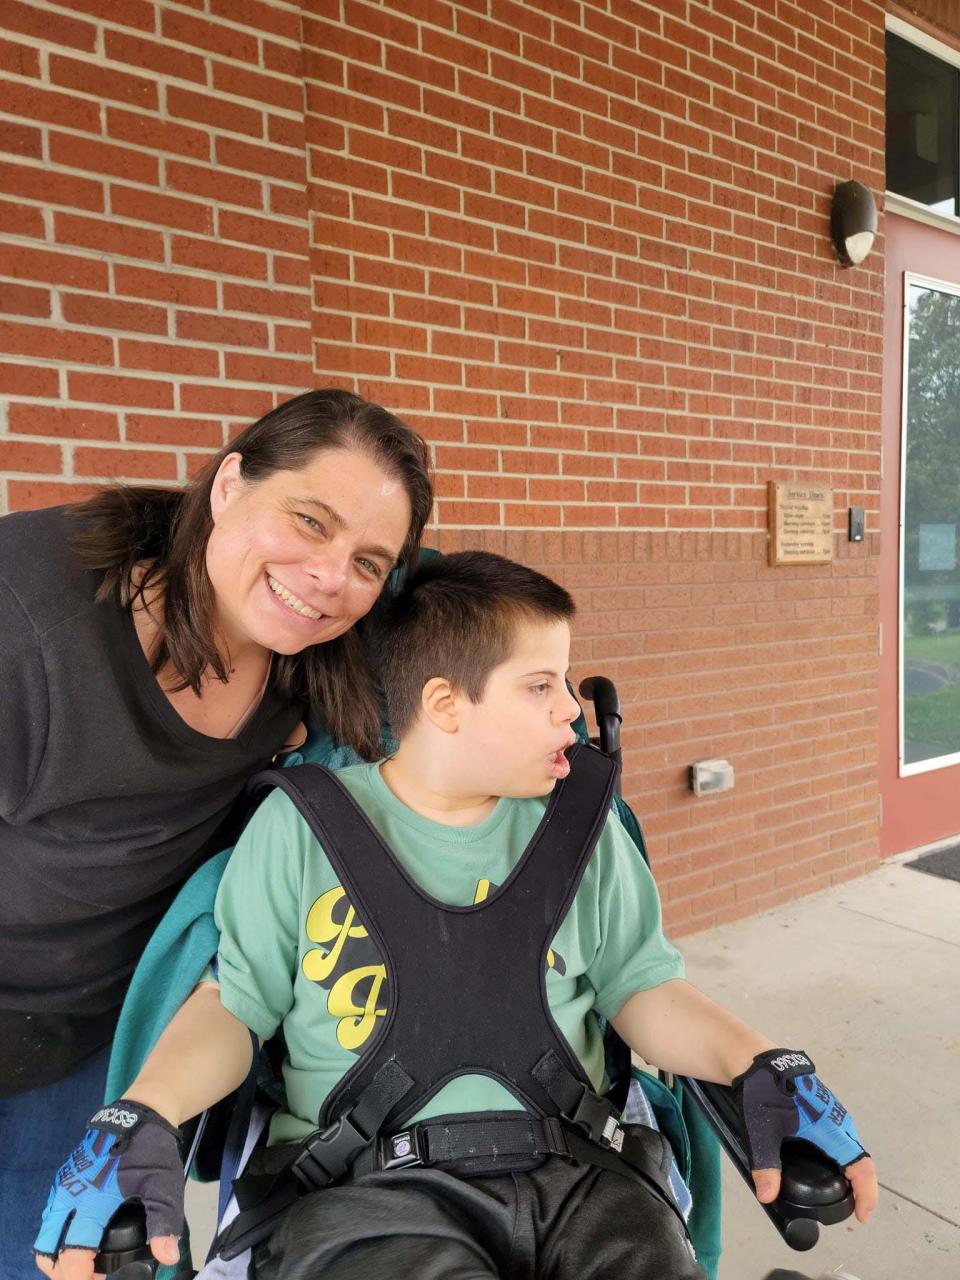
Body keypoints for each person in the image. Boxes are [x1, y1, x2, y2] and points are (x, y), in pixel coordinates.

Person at [33, 552, 878, 1280]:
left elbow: (643, 987)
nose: (570, 714)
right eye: (540, 686)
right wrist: (139, 1110)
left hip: (585, 1173)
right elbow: (235, 1008)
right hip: (366, 1189)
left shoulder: (582, 825)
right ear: (445, 704)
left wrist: (761, 1060)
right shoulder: (303, 826)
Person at [0, 388, 432, 1280]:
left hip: (96, 1034)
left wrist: (539, 690)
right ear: (230, 483)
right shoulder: (26, 620)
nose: (327, 575)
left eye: (366, 560)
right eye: (309, 520)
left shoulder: (323, 649)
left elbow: (462, 611)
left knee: (89, 1259)